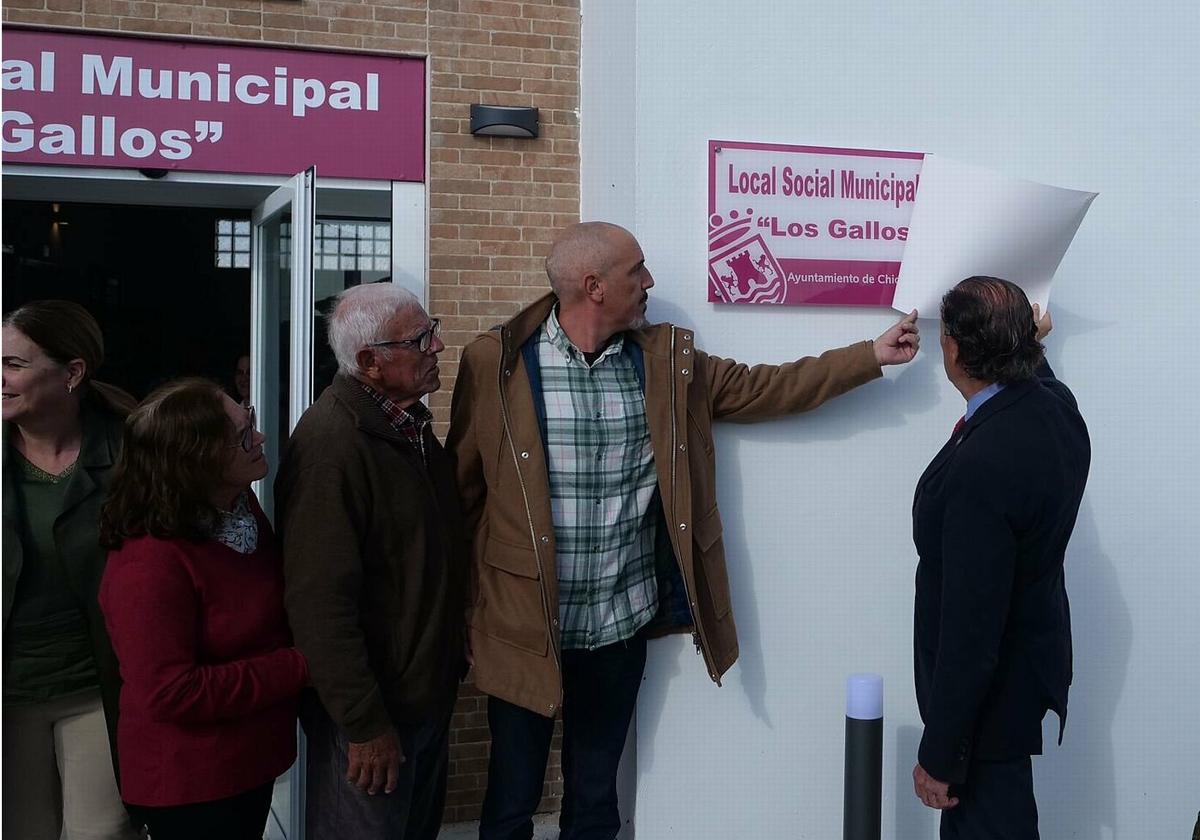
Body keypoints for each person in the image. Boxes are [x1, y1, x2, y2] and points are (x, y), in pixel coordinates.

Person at [446, 221, 921, 840]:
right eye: (635, 271)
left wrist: (869, 357)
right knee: (511, 802)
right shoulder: (498, 362)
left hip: (618, 625)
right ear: (593, 286)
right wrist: (463, 613)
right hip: (521, 625)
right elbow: (464, 494)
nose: (649, 283)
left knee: (594, 802)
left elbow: (765, 387)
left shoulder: (667, 362)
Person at [275, 283, 467, 840]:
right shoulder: (332, 447)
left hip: (422, 698)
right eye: (421, 338)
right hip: (374, 719)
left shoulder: (407, 427)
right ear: (369, 362)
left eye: (432, 330)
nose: (437, 346)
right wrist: (363, 724)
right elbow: (318, 605)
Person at [910, 277, 1090, 839]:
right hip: (1023, 682)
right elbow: (1036, 378)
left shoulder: (982, 468)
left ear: (956, 350)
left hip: (984, 716)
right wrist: (1030, 345)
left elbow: (971, 632)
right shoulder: (1057, 409)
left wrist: (941, 755)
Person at [98, 378, 309, 840]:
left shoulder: (238, 505)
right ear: (194, 462)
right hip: (191, 782)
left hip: (247, 761)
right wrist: (300, 665)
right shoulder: (149, 562)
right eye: (241, 435)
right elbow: (172, 692)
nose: (260, 437)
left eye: (248, 420)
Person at [2, 300, 139, 840]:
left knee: (100, 833)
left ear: (72, 373)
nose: (1, 378)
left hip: (96, 689)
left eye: (14, 364)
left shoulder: (133, 449)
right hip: (9, 694)